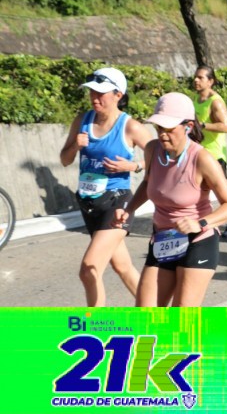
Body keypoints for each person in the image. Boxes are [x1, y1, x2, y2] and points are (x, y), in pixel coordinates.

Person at [113, 92, 227, 306]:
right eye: (158, 128)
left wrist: (200, 223)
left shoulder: (202, 159)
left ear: (188, 127)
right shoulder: (153, 150)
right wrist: (129, 209)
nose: (162, 134)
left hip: (197, 241)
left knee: (181, 319)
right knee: (146, 314)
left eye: (169, 129)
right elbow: (148, 182)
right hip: (164, 240)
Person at [60, 67, 151, 307]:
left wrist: (134, 166)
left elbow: (163, 158)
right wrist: (75, 146)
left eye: (101, 93)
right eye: (91, 92)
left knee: (88, 269)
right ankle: (157, 314)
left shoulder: (130, 127)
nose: (94, 97)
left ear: (118, 95)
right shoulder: (82, 121)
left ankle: (96, 324)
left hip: (117, 203)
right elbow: (65, 160)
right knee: (122, 266)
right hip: (89, 204)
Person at [193, 65, 227, 237]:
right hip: (198, 153)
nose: (196, 80)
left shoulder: (216, 102)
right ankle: (200, 222)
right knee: (196, 190)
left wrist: (203, 125)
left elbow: (226, 127)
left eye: (200, 78)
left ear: (210, 81)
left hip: (215, 155)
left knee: (222, 194)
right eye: (195, 77)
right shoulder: (196, 98)